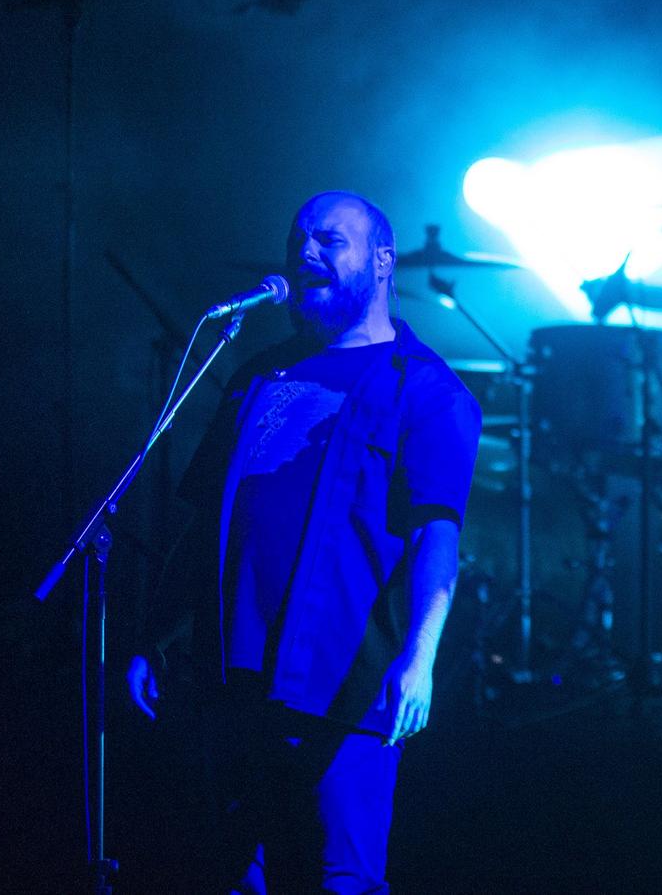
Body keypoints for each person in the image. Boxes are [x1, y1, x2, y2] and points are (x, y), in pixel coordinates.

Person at [129, 190, 480, 894]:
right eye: (298, 241)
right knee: (234, 878)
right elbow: (204, 529)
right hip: (233, 685)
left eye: (329, 240)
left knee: (340, 881)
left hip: (343, 684)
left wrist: (422, 653)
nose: (305, 253)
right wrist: (152, 635)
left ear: (382, 262)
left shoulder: (428, 390)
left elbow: (437, 531)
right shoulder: (257, 375)